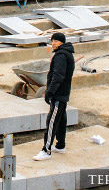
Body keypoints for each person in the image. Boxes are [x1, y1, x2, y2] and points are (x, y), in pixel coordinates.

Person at [34, 32, 75, 161]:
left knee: (51, 121)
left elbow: (58, 76)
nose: (53, 43)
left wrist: (50, 92)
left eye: (56, 41)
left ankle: (46, 150)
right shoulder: (66, 54)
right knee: (61, 120)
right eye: (52, 41)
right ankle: (60, 145)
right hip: (63, 93)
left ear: (61, 43)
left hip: (58, 94)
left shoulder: (61, 56)